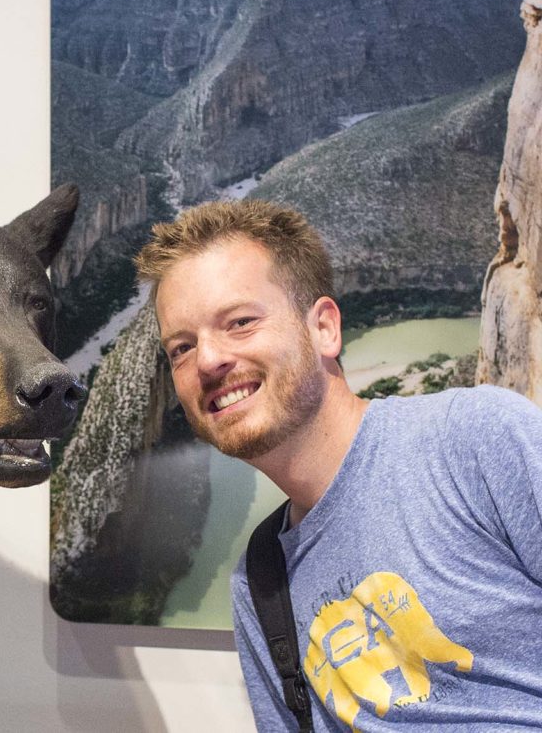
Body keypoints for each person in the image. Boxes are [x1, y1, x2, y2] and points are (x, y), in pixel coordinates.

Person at [134, 200, 542, 731]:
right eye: (181, 348)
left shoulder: (478, 441)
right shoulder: (261, 581)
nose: (208, 361)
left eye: (239, 322)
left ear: (325, 328)